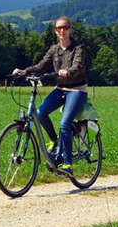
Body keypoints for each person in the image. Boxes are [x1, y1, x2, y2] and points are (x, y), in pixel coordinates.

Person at [12, 16, 87, 177]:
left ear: (70, 29)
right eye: (59, 28)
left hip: (77, 90)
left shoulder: (78, 47)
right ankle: (55, 140)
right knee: (39, 113)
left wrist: (69, 71)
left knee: (64, 124)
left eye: (65, 28)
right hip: (61, 88)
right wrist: (24, 71)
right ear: (55, 31)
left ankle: (67, 164)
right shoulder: (54, 50)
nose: (62, 31)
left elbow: (78, 65)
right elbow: (41, 65)